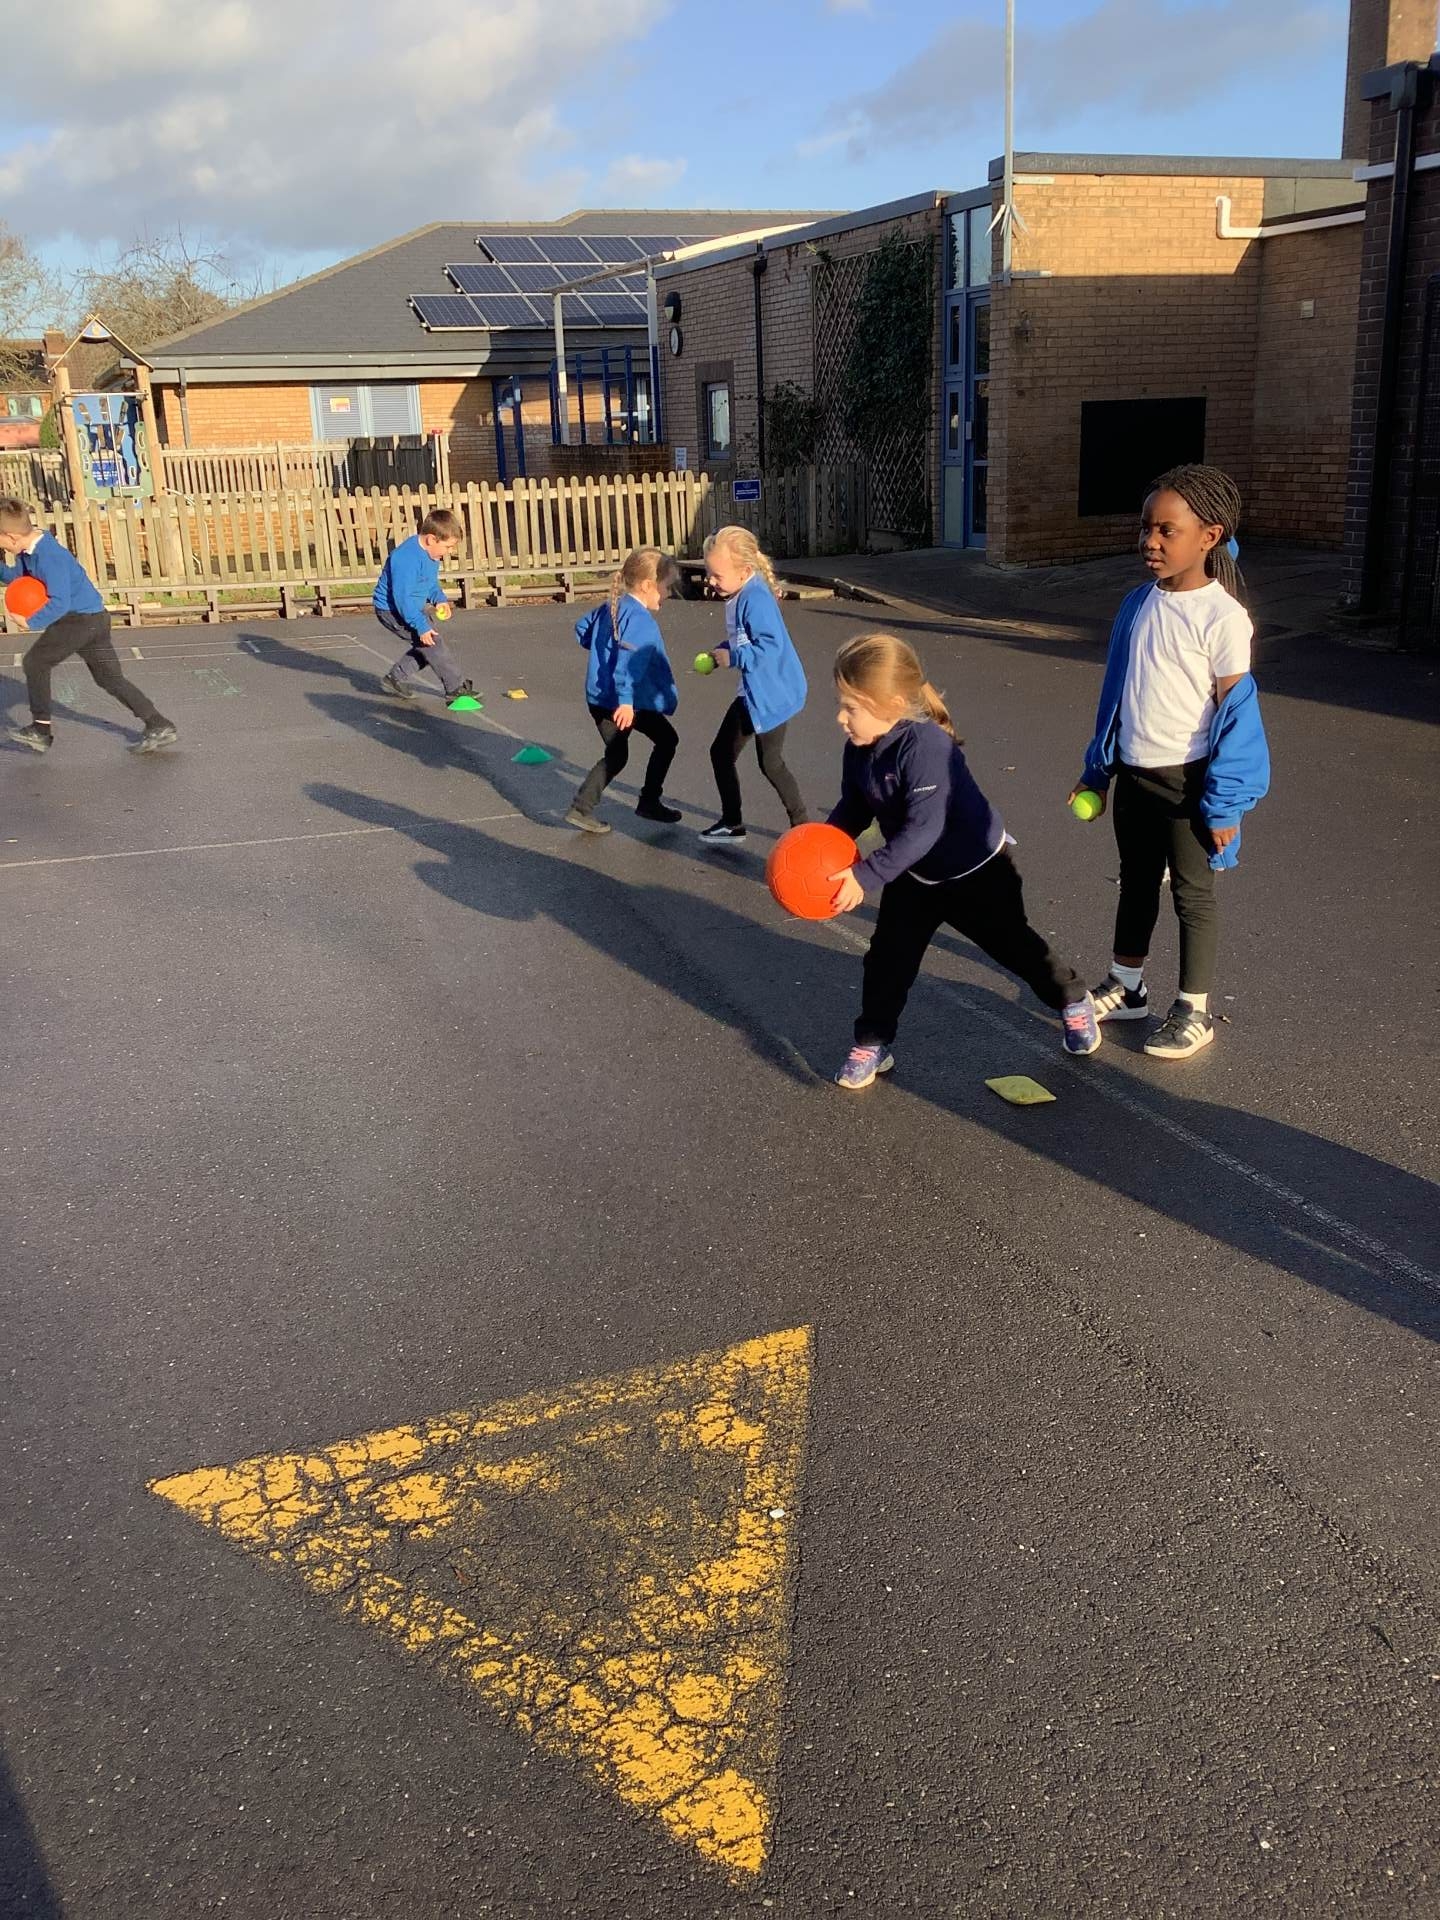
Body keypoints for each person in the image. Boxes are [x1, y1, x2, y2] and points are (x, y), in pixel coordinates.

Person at [826, 632, 1100, 1090]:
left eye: (851, 707)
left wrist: (864, 875)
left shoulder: (927, 746)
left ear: (893, 704)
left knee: (1015, 947)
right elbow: (854, 807)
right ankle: (873, 1041)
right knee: (887, 961)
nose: (841, 717)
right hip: (915, 874)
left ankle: (1072, 998)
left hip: (976, 871)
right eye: (842, 705)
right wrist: (821, 849)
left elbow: (924, 829)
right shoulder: (858, 749)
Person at [1072, 463, 1269, 1062]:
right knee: (1135, 882)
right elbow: (1117, 696)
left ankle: (1194, 1009)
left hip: (1190, 783)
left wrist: (1225, 804)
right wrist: (1098, 770)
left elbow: (1237, 715)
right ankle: (1127, 986)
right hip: (1134, 773)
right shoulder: (1138, 604)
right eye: (1146, 528)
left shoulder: (1222, 617)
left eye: (1166, 531)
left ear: (1209, 537)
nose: (1150, 542)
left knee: (1192, 895)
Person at [0, 495, 177, 754]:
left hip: (78, 621)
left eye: (2, 543)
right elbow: (19, 579)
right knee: (109, 679)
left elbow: (59, 602)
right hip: (93, 619)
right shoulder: (30, 552)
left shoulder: (49, 556)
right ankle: (159, 724)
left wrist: (30, 622)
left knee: (35, 662)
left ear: (11, 537)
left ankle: (40, 730)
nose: (3, 548)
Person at [696, 526, 808, 842]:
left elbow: (769, 647)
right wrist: (723, 651)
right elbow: (743, 638)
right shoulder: (743, 592)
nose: (711, 581)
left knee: (747, 758)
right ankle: (796, 825)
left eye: (717, 575)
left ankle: (785, 825)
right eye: (709, 573)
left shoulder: (754, 599)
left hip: (768, 695)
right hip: (764, 691)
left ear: (744, 571)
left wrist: (732, 657)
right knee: (764, 761)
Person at [566, 547, 683, 835]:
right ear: (648, 586)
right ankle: (588, 807)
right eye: (667, 587)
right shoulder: (640, 621)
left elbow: (581, 630)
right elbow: (629, 665)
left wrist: (601, 651)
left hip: (602, 698)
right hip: (624, 702)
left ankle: (642, 802)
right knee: (654, 744)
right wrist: (627, 702)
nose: (669, 594)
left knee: (640, 747)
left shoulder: (613, 606)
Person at [374, 508, 477, 709]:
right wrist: (420, 625)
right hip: (392, 610)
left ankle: (393, 679)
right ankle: (455, 688)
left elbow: (429, 582)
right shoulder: (405, 558)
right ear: (431, 539)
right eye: (447, 547)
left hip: (411, 607)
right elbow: (402, 599)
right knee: (432, 644)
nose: (449, 552)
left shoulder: (431, 556)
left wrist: (439, 599)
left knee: (429, 645)